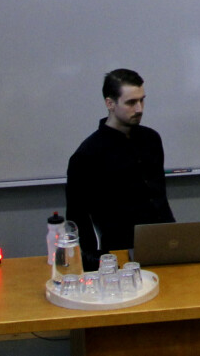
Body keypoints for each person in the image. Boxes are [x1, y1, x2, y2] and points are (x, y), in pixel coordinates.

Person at [66, 69, 175, 269]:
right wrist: (92, 264)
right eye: (131, 102)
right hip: (118, 254)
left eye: (142, 100)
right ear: (110, 103)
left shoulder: (151, 140)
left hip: (164, 243)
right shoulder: (88, 154)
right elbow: (77, 217)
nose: (139, 108)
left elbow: (159, 197)